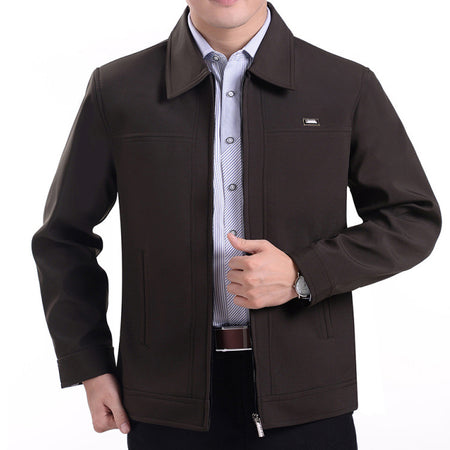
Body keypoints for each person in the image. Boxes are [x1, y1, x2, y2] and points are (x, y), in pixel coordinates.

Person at [31, 1, 442, 449]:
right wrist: (90, 365)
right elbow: (63, 237)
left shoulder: (344, 85)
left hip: (307, 394)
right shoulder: (117, 88)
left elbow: (411, 216)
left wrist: (303, 274)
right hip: (166, 396)